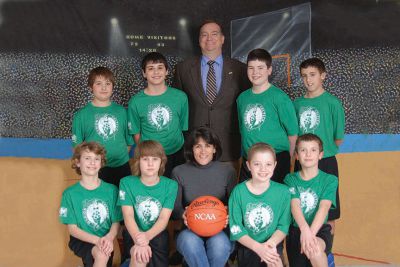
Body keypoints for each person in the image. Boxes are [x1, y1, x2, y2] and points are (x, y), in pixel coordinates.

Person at [173, 19, 251, 168]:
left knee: (228, 191)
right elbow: (177, 107)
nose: (209, 38)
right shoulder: (183, 69)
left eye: (214, 34)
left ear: (222, 39)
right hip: (195, 149)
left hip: (228, 147)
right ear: (199, 40)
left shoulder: (240, 69)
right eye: (204, 35)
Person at [172, 127, 237, 267]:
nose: (203, 151)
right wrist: (183, 214)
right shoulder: (179, 172)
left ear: (214, 149)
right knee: (190, 243)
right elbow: (175, 208)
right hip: (190, 230)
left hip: (220, 230)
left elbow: (235, 206)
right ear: (192, 149)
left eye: (208, 146)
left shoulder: (228, 171)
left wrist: (228, 214)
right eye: (198, 146)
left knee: (219, 245)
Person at [293, 57, 345, 234]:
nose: (308, 79)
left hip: (326, 162)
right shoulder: (297, 104)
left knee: (329, 213)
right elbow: (293, 135)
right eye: (304, 75)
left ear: (323, 75)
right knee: (303, 209)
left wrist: (323, 152)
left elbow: (338, 138)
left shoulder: (333, 103)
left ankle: (327, 256)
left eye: (313, 74)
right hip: (303, 163)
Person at [237, 49, 298, 184]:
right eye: (251, 68)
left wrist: (289, 161)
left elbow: (293, 134)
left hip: (276, 160)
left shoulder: (279, 97)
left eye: (260, 68)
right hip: (250, 160)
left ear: (269, 70)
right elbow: (243, 130)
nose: (255, 72)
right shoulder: (242, 98)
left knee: (275, 201)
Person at [59, 142, 122, 267]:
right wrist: (98, 241)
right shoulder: (70, 194)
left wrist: (108, 238)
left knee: (102, 253)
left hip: (105, 238)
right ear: (78, 162)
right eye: (87, 158)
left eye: (96, 159)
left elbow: (116, 222)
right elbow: (73, 230)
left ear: (101, 163)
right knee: (102, 254)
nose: (92, 162)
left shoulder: (112, 190)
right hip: (82, 239)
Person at [229, 143, 291, 267]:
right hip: (248, 246)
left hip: (272, 245)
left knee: (274, 262)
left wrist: (269, 245)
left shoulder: (283, 192)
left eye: (268, 164)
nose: (263, 169)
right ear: (248, 166)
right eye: (257, 164)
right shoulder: (238, 192)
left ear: (275, 165)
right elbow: (236, 229)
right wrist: (258, 248)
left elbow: (283, 226)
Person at [128, 52, 189, 178]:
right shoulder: (136, 101)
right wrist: (148, 151)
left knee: (176, 191)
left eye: (160, 67)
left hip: (176, 153)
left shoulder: (180, 97)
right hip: (149, 157)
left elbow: (183, 128)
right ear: (144, 73)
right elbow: (136, 133)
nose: (156, 72)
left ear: (167, 71)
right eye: (151, 68)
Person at [118, 140, 178, 267]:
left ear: (161, 162)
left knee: (159, 243)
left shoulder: (170, 185)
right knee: (138, 256)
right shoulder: (126, 183)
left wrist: (146, 237)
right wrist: (139, 240)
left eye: (155, 159)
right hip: (133, 232)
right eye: (145, 159)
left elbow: (163, 218)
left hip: (157, 233)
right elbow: (128, 216)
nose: (150, 164)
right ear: (138, 161)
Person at [72, 66, 133, 187]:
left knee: (124, 204)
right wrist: (92, 165)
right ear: (91, 87)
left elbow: (129, 143)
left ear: (112, 87)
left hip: (122, 167)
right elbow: (77, 148)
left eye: (108, 83)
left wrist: (118, 158)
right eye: (98, 83)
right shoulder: (81, 115)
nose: (104, 87)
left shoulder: (122, 111)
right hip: (96, 169)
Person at [284, 134, 338, 267]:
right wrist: (304, 231)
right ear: (296, 155)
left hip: (319, 229)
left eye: (313, 150)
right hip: (296, 231)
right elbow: (294, 206)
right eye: (303, 150)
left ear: (320, 155)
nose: (308, 154)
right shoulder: (290, 180)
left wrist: (310, 235)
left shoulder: (330, 180)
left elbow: (324, 207)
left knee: (314, 249)